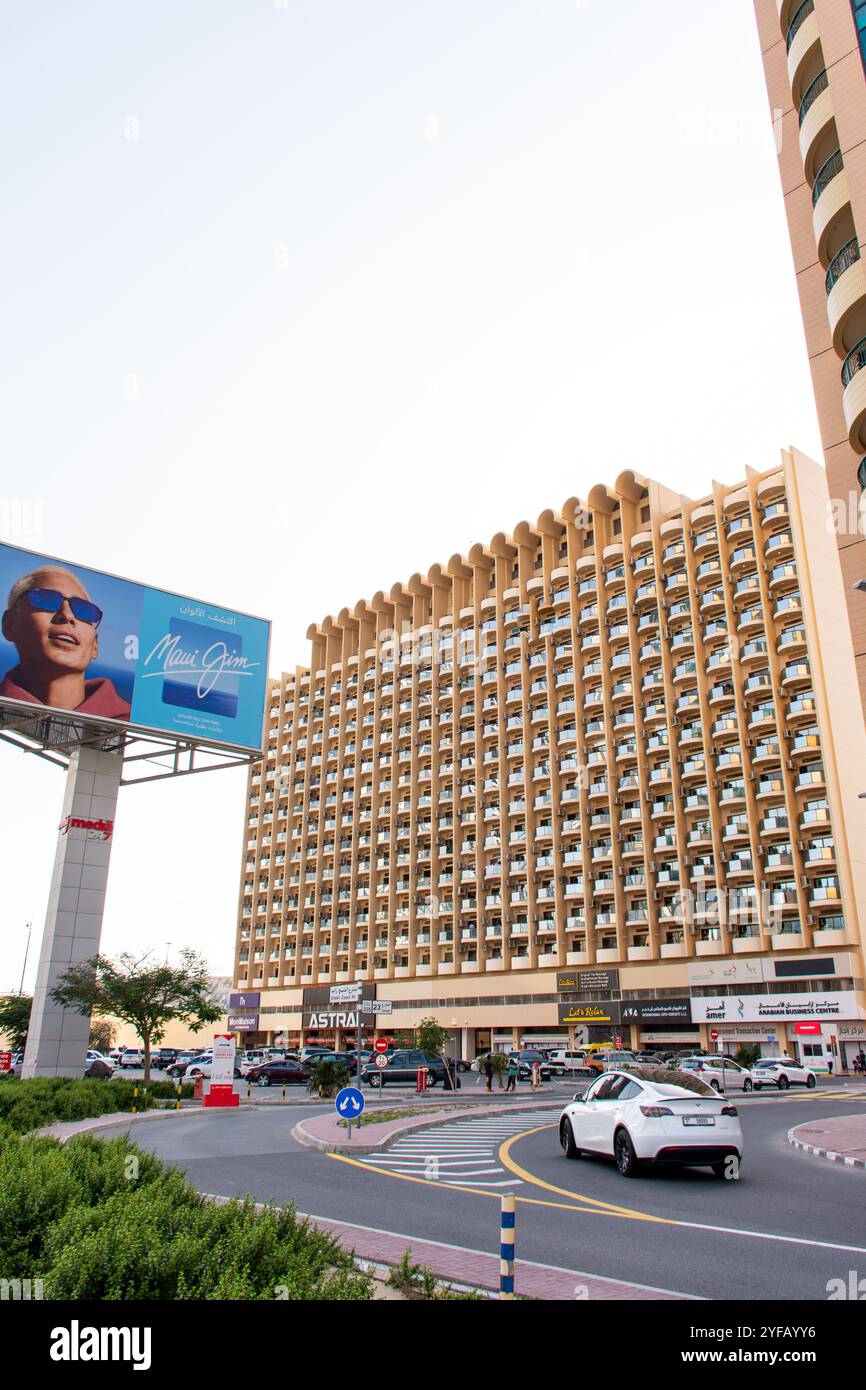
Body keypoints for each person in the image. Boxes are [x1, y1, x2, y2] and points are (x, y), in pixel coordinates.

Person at [0, 566, 130, 718]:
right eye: (46, 599)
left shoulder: (136, 727)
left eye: (84, 610)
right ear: (10, 623)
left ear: (95, 645)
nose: (67, 615)